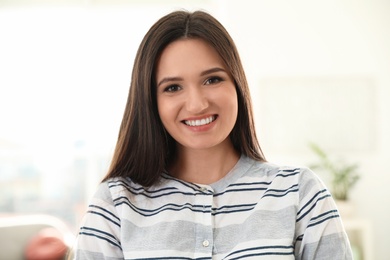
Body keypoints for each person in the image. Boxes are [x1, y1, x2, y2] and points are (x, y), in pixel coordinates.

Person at [72, 10, 352, 259]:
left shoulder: (300, 193)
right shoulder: (115, 202)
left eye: (212, 79)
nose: (197, 104)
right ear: (150, 101)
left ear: (237, 85)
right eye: (172, 87)